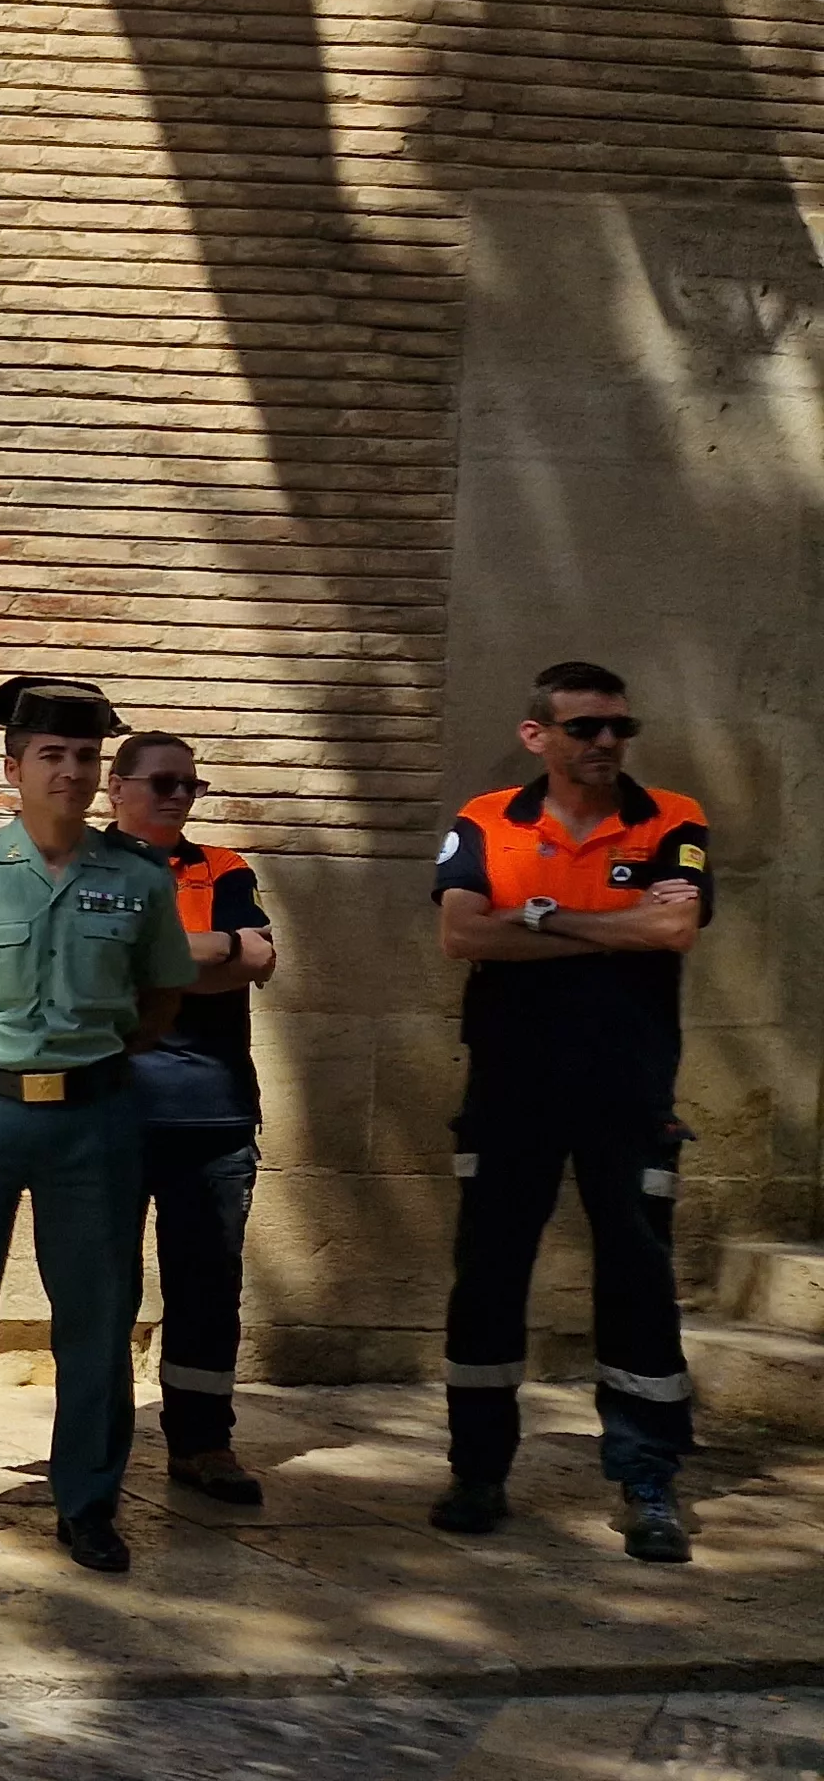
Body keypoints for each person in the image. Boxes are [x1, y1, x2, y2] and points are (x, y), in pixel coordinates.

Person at [0, 676, 195, 1572]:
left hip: (93, 1119)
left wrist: (85, 1055)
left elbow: (163, 994)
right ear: (13, 767)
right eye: (51, 756)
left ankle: (88, 1505)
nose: (71, 772)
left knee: (96, 1317)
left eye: (86, 757)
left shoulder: (135, 879)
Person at [429, 661, 710, 1563]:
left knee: (636, 1280)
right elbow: (462, 933)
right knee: (487, 1280)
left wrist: (541, 920)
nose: (605, 744)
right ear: (537, 735)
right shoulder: (485, 820)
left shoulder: (674, 818)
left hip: (628, 1094)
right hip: (510, 1094)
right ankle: (478, 1471)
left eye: (619, 729)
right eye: (585, 728)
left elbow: (675, 931)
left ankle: (646, 1479)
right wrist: (612, 920)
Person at [107, 730, 279, 1509]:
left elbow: (256, 960)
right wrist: (203, 954)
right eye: (162, 782)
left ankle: (203, 1442)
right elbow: (87, 966)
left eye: (190, 785)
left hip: (211, 1116)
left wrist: (153, 958)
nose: (178, 796)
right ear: (118, 787)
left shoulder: (222, 867)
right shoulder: (85, 863)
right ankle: (94, 1441)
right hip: (105, 1113)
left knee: (208, 1291)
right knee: (100, 1289)